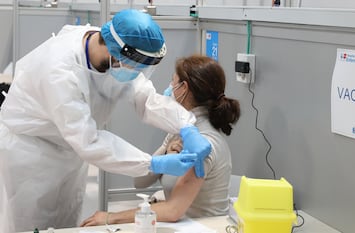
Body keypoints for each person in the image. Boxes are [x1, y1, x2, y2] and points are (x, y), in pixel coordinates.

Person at [0, 9, 211, 232]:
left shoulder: (113, 51)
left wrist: (187, 126)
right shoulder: (59, 72)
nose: (136, 73)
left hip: (70, 151)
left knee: (66, 223)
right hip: (31, 153)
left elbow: (145, 98)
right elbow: (89, 141)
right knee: (30, 224)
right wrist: (151, 163)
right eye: (134, 66)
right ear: (115, 53)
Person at [80, 54, 241, 226]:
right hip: (181, 225)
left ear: (183, 88)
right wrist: (164, 152)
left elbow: (173, 210)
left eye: (173, 82)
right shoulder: (181, 131)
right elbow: (140, 182)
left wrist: (110, 217)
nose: (169, 87)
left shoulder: (203, 143)